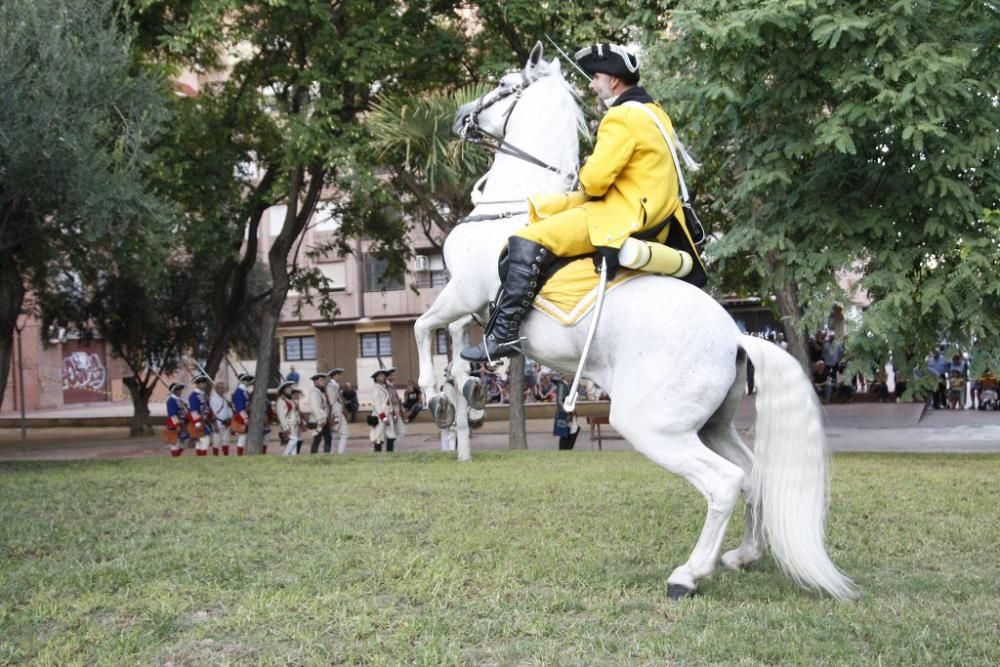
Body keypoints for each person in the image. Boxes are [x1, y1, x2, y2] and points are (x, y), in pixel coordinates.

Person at [460, 42, 706, 363]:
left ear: (615, 81)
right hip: (658, 219)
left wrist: (589, 165)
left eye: (596, 77)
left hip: (623, 216)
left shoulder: (621, 117)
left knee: (525, 239)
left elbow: (594, 181)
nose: (591, 84)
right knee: (548, 216)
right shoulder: (655, 112)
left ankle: (503, 336)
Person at [369, 369, 397, 452]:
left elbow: (389, 403)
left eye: (384, 375)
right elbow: (377, 405)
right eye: (380, 375)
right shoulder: (375, 389)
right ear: (376, 378)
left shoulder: (384, 387)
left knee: (391, 435)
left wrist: (394, 414)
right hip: (380, 415)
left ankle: (390, 454)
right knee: (378, 437)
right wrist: (383, 417)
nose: (383, 377)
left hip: (388, 414)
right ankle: (377, 455)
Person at [186, 375, 214, 456]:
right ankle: (202, 458)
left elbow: (206, 407)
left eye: (204, 383)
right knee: (205, 440)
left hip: (205, 420)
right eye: (201, 383)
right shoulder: (193, 396)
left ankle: (199, 459)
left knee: (200, 442)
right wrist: (197, 422)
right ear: (197, 384)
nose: (204, 385)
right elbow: (193, 411)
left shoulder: (203, 394)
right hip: (199, 422)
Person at [553, 374, 580, 450]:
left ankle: (568, 449)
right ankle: (564, 449)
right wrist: (567, 411)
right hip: (564, 413)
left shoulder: (568, 385)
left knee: (572, 430)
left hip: (570, 412)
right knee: (565, 433)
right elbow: (559, 400)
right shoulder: (562, 385)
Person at [275, 381, 303, 456]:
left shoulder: (290, 400)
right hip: (288, 424)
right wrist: (285, 426)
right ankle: (285, 455)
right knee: (294, 440)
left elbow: (296, 412)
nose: (290, 389)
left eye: (290, 387)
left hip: (294, 424)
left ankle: (293, 458)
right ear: (283, 390)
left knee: (295, 442)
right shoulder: (281, 401)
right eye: (288, 388)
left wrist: (299, 421)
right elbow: (281, 415)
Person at [325, 368, 349, 454]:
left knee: (345, 433)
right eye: (339, 375)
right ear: (335, 375)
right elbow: (332, 401)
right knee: (333, 435)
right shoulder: (330, 386)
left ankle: (340, 454)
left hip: (340, 412)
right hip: (334, 413)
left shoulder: (335, 386)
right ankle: (331, 453)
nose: (341, 376)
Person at [307, 372, 331, 453]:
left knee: (327, 438)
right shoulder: (314, 392)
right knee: (318, 439)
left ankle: (325, 456)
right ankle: (314, 457)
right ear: (316, 382)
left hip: (323, 420)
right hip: (319, 421)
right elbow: (315, 407)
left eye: (324, 380)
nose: (323, 381)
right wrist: (320, 419)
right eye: (321, 380)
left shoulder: (320, 392)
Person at [231, 373, 254, 456]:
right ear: (242, 381)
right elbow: (240, 408)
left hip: (245, 414)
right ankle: (240, 455)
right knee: (242, 438)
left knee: (244, 437)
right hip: (241, 416)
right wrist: (245, 418)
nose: (248, 382)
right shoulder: (239, 392)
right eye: (246, 380)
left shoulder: (244, 391)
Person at [209, 380, 233, 456]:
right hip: (218, 423)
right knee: (216, 441)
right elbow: (212, 413)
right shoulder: (213, 399)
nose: (222, 390)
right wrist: (215, 424)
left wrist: (229, 418)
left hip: (226, 423)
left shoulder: (225, 398)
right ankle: (215, 456)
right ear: (216, 389)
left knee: (226, 441)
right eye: (220, 388)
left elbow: (228, 409)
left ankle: (226, 456)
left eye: (223, 388)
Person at [165, 382, 188, 458]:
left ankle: (177, 456)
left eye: (180, 390)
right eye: (178, 390)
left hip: (182, 424)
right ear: (174, 391)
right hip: (173, 425)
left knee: (183, 443)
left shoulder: (180, 400)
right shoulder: (171, 401)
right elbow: (172, 415)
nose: (180, 391)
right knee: (174, 444)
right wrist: (177, 425)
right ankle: (175, 459)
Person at [385, 368, 405, 446]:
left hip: (396, 411)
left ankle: (393, 449)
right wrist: (397, 400)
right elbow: (390, 400)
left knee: (398, 432)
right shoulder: (387, 386)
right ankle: (392, 450)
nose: (393, 377)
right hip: (392, 411)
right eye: (391, 375)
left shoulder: (391, 385)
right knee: (395, 432)